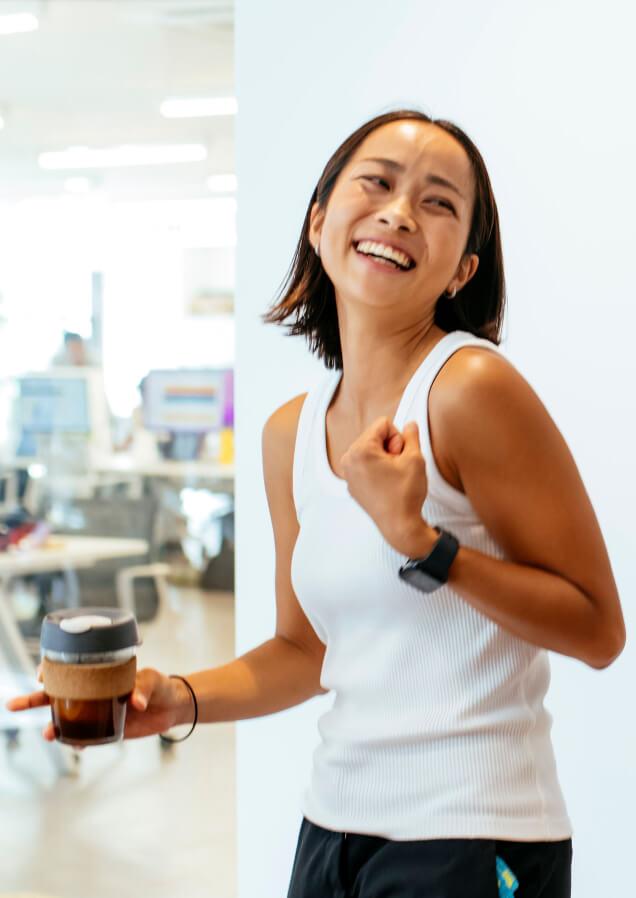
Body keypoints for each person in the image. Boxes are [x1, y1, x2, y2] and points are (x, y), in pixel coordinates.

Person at [7, 109, 625, 897]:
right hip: (333, 830)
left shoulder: (470, 389)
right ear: (321, 218)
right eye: (377, 182)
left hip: (473, 835)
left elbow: (598, 630)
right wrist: (175, 702)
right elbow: (307, 652)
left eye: (438, 202)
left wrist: (422, 541)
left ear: (463, 269)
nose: (399, 211)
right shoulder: (290, 434)